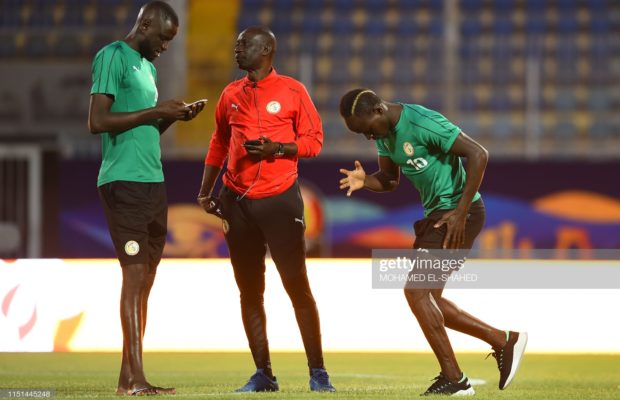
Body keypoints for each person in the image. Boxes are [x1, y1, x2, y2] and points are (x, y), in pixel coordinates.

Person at [338, 88, 527, 396]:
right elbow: (389, 180)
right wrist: (366, 181)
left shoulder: (423, 122)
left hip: (457, 214)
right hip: (438, 216)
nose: (367, 138)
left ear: (378, 111)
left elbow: (479, 153)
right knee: (430, 300)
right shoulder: (385, 136)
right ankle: (504, 341)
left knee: (415, 291)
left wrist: (460, 211)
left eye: (366, 130)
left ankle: (455, 379)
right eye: (361, 135)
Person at [197, 26, 335, 393]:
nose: (237, 49)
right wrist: (205, 190)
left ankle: (318, 373)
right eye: (237, 43)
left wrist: (278, 149)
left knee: (297, 288)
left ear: (267, 49)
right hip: (235, 200)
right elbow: (219, 144)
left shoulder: (292, 91)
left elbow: (314, 141)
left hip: (279, 200)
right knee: (249, 291)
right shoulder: (230, 94)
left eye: (245, 44)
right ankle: (263, 373)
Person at [88, 1, 206, 395]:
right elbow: (98, 121)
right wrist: (155, 109)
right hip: (123, 181)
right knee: (134, 276)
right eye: (164, 38)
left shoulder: (149, 68)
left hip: (153, 180)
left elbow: (144, 130)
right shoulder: (112, 56)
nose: (166, 46)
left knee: (147, 281)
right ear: (146, 24)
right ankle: (134, 379)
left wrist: (172, 116)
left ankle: (130, 377)